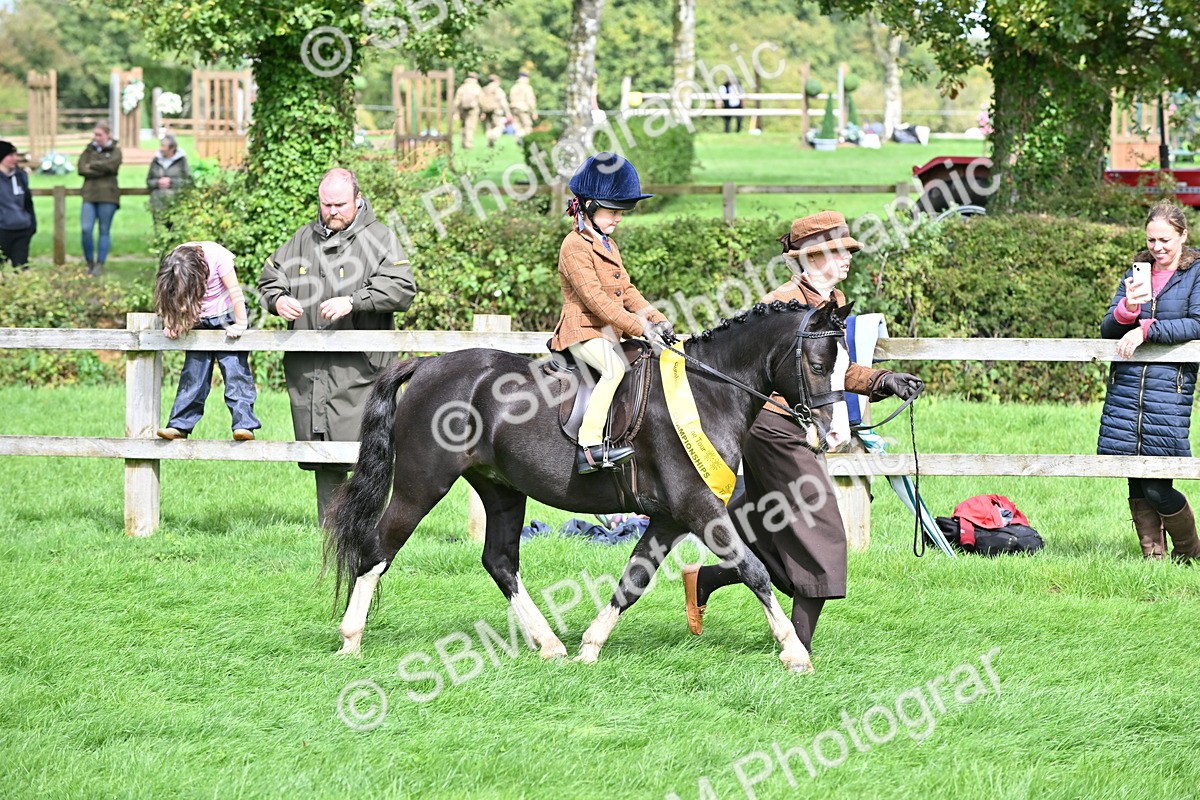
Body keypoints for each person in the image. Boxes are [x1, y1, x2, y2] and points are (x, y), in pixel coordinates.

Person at [681, 211, 925, 654]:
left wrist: (882, 380)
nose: (849, 260)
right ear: (814, 257)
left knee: (770, 528)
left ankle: (708, 578)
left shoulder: (831, 298)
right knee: (822, 530)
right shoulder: (785, 304)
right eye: (841, 253)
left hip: (797, 422)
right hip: (773, 425)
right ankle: (799, 650)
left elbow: (829, 369)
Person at [258, 168, 417, 525]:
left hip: (361, 372)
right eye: (326, 203)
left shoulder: (380, 238)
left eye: (340, 204)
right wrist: (278, 299)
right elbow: (269, 278)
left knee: (370, 453)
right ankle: (329, 530)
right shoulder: (302, 240)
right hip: (311, 373)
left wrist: (355, 300)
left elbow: (402, 288)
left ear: (358, 200)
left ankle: (370, 529)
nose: (332, 211)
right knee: (322, 454)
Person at [549, 152, 673, 474]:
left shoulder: (607, 244)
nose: (619, 218)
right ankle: (588, 448)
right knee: (614, 369)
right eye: (613, 212)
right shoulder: (573, 246)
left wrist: (657, 318)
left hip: (608, 331)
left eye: (622, 213)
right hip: (582, 330)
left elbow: (627, 291)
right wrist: (639, 326)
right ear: (589, 206)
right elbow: (596, 300)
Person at [1099, 202, 1200, 563]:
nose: (1158, 247)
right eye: (1151, 239)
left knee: (1158, 486)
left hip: (1167, 390)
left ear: (1183, 236)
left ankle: (1190, 552)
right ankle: (1152, 559)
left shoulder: (1196, 272)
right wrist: (1127, 308)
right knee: (1136, 481)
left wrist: (1146, 328)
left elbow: (1197, 323)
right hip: (1127, 387)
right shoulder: (1137, 270)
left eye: (1166, 240)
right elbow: (1108, 327)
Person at [155, 242, 261, 442]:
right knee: (193, 374)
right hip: (199, 319)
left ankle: (244, 425)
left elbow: (235, 291)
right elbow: (170, 295)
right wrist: (172, 322)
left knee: (235, 370)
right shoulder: (175, 263)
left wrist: (241, 324)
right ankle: (179, 425)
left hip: (227, 315)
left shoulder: (218, 256)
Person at [78, 123, 122, 276]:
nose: (96, 138)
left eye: (99, 135)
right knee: (86, 229)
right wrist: (101, 168)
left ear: (107, 135)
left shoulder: (116, 151)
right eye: (95, 135)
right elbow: (81, 168)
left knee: (104, 230)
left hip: (108, 196)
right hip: (89, 195)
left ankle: (100, 264)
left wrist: (93, 166)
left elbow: (112, 167)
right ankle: (89, 262)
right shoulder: (88, 150)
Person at [0, 140, 36, 271]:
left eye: (15, 155)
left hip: (22, 228)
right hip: (2, 229)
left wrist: (32, 225)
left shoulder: (20, 177)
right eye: (11, 155)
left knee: (21, 268)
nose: (15, 159)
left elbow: (28, 203)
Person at [146, 134, 192, 229]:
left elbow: (189, 182)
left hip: (176, 203)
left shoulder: (181, 161)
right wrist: (157, 182)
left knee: (174, 230)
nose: (161, 148)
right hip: (157, 203)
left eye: (164, 146)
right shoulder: (156, 160)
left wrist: (171, 181)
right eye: (161, 145)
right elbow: (149, 181)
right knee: (159, 230)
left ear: (172, 148)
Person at [452, 72, 482, 150]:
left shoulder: (462, 87)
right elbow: (481, 100)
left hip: (463, 109)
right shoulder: (476, 87)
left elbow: (457, 100)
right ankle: (468, 144)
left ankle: (463, 143)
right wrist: (482, 111)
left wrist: (455, 112)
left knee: (463, 126)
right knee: (471, 126)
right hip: (473, 109)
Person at [479, 74, 511, 149]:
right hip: (497, 111)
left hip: (486, 111)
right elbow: (503, 102)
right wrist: (508, 113)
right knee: (499, 127)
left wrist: (482, 112)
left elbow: (480, 101)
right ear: (496, 81)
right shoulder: (498, 90)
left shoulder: (484, 89)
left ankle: (489, 139)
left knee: (488, 127)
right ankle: (493, 136)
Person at [509, 71, 539, 142]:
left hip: (514, 109)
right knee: (527, 126)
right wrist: (534, 111)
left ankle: (518, 140)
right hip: (523, 109)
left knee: (517, 126)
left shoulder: (514, 88)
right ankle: (527, 142)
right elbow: (530, 100)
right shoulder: (527, 88)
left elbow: (510, 99)